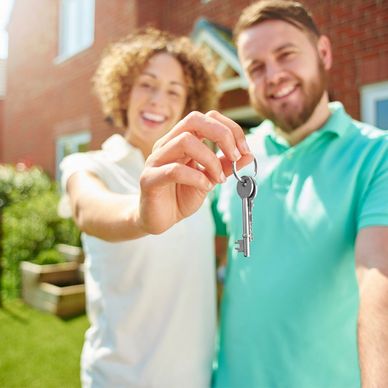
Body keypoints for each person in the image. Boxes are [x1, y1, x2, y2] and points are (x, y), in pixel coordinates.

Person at [138, 1, 388, 387]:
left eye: (286, 54)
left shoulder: (377, 156)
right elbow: (202, 264)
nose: (272, 75)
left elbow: (379, 281)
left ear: (323, 52)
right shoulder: (231, 160)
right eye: (255, 67)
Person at [59, 28, 222, 388]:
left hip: (196, 379)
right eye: (146, 84)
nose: (157, 100)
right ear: (124, 91)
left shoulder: (200, 178)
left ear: (186, 103)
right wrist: (141, 214)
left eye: (173, 90)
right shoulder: (89, 165)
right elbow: (89, 210)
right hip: (119, 379)